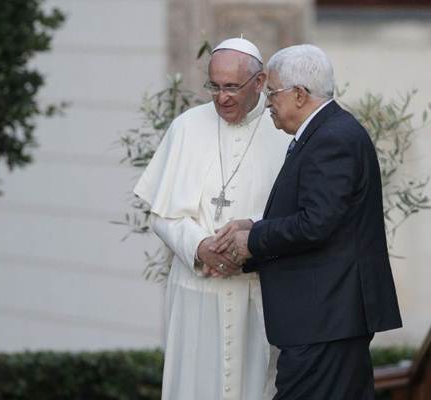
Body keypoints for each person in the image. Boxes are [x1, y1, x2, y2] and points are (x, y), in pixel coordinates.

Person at [216, 44, 403, 399]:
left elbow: (316, 224)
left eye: (272, 92)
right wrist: (253, 227)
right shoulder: (326, 133)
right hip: (328, 319)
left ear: (299, 95)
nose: (268, 102)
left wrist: (252, 241)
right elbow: (320, 218)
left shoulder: (332, 138)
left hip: (325, 320)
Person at [134, 38, 290, 400]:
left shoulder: (283, 132)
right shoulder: (186, 127)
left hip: (258, 292)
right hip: (196, 293)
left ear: (260, 81)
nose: (222, 98)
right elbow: (161, 214)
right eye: (215, 87)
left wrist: (244, 248)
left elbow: (294, 216)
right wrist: (201, 247)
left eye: (232, 87)